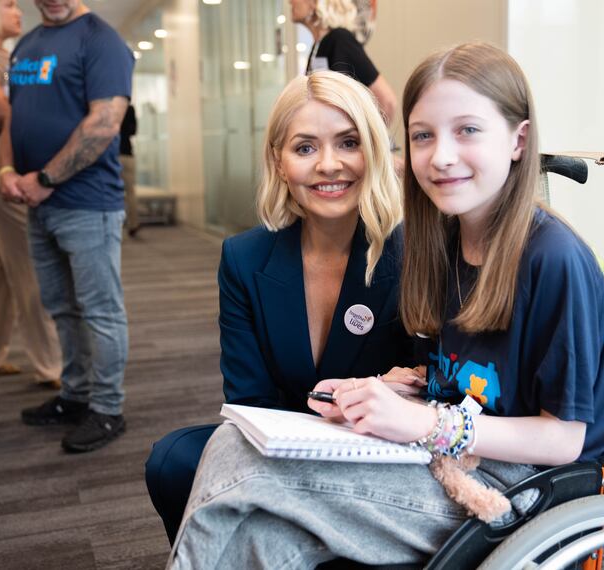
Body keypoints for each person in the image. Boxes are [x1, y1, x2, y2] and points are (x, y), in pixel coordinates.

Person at [167, 43, 604, 569]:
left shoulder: (553, 257)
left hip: (525, 487)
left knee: (238, 463)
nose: (442, 155)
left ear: (519, 140)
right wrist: (384, 392)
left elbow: (566, 439)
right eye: (424, 135)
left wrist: (424, 425)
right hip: (450, 462)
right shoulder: (445, 243)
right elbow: (462, 384)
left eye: (467, 130)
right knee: (261, 530)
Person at [145, 69, 410, 543]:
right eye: (305, 148)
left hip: (383, 454)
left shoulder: (413, 252)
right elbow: (249, 399)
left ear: (374, 149)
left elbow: (431, 385)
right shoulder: (244, 259)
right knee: (173, 460)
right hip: (283, 442)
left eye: (348, 143)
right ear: (279, 160)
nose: (328, 165)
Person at [0, 0, 134, 453]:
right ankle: (75, 396)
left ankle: (109, 409)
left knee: (101, 310)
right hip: (39, 202)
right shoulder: (28, 44)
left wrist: (45, 178)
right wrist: (5, 172)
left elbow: (104, 123)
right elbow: (12, 116)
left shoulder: (101, 40)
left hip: (87, 204)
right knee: (61, 306)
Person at [0, 0, 62, 387]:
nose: (18, 10)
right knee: (30, 261)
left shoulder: (5, 54)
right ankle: (51, 366)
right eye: (9, 4)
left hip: (5, 153)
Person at [290, 0, 396, 124]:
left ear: (315, 2)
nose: (290, 2)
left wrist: (368, 140)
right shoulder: (318, 46)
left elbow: (388, 102)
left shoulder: (340, 39)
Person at [120, 103, 139, 237]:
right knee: (130, 192)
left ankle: (116, 225)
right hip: (127, 154)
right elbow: (133, 131)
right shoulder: (129, 108)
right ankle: (133, 224)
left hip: (111, 155)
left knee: (111, 193)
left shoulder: (106, 106)